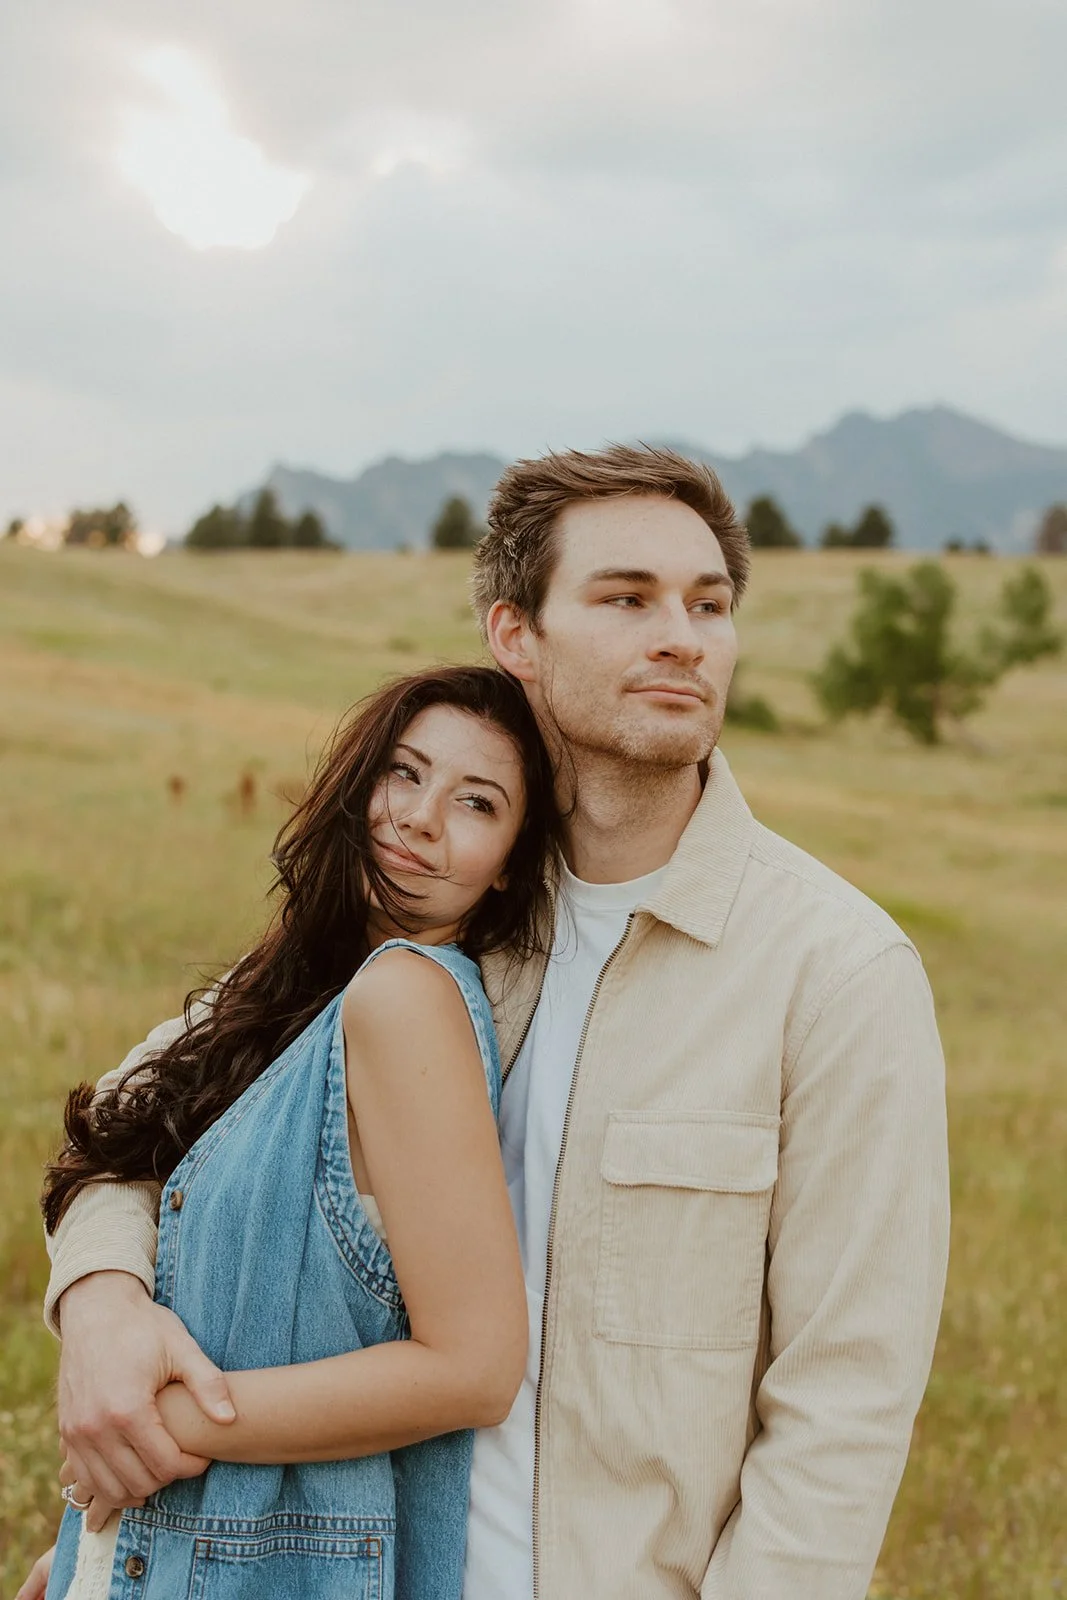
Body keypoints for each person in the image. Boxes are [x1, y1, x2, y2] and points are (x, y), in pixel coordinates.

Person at [25, 445, 950, 1600]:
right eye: (625, 599)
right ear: (516, 634)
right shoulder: (452, 914)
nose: (683, 635)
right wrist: (105, 1304)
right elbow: (161, 1111)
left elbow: (844, 1404)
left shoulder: (836, 972)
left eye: (708, 604)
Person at [30, 664, 562, 1600]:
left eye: (475, 803)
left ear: (511, 859)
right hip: (164, 1547)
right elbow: (113, 1138)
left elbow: (474, 1369)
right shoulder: (297, 993)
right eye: (403, 772)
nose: (420, 817)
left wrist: (150, 1431)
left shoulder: (405, 999)